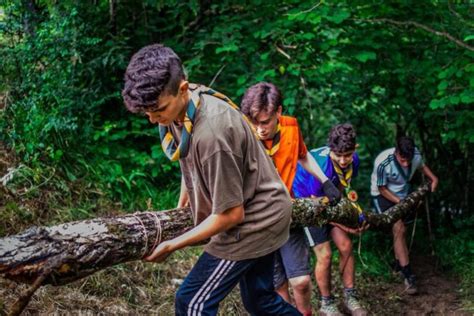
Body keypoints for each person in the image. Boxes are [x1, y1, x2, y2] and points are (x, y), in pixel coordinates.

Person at [122, 44, 301, 315]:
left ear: (182, 88)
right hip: (264, 205)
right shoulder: (185, 105)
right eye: (147, 112)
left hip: (257, 220)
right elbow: (189, 159)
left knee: (192, 302)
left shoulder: (213, 134)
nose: (152, 119)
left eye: (157, 110)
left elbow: (230, 215)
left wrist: (172, 244)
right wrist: (183, 205)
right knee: (260, 301)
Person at [241, 82, 341, 316]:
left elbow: (303, 156)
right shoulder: (244, 132)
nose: (259, 129)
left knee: (301, 282)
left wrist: (325, 181)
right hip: (256, 220)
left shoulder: (291, 127)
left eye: (265, 122)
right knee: (277, 286)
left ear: (279, 112)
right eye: (254, 122)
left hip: (287, 213)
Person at [292, 124, 368, 316]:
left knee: (346, 246)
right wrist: (342, 223)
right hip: (308, 206)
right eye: (338, 155)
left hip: (330, 203)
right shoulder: (321, 165)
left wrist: (347, 216)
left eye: (347, 155)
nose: (343, 160)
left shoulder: (354, 160)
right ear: (331, 149)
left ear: (354, 149)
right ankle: (327, 303)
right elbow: (316, 205)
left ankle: (350, 296)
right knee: (324, 255)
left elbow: (342, 188)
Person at [370, 136, 438, 294]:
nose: (406, 164)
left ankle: (397, 264)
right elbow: (382, 189)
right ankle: (408, 275)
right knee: (399, 228)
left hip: (403, 195)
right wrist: (402, 201)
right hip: (382, 195)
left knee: (400, 232)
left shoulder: (415, 156)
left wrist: (433, 178)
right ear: (395, 152)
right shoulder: (383, 162)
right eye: (402, 160)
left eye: (408, 159)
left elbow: (422, 166)